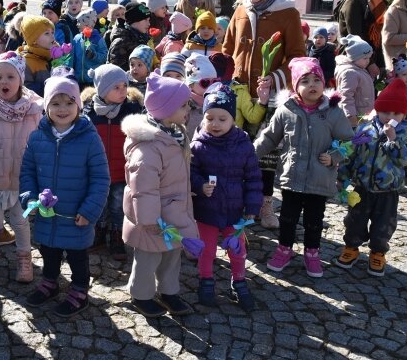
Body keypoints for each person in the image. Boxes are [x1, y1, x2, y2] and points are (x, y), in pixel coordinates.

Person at [255, 57, 353, 277]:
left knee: (314, 221)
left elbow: (349, 141)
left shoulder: (333, 112)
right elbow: (269, 138)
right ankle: (284, 249)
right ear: (296, 86)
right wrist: (250, 155)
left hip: (320, 179)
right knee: (288, 218)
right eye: (305, 80)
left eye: (316, 80)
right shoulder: (286, 110)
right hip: (292, 177)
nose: (312, 85)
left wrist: (335, 156)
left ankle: (312, 253)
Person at [21, 76, 109, 317]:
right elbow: (27, 171)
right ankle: (49, 282)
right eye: (55, 103)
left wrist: (90, 210)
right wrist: (30, 199)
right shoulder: (37, 137)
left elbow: (101, 178)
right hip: (47, 214)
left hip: (76, 214)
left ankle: (79, 290)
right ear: (46, 107)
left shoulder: (89, 138)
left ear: (78, 106)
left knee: (77, 256)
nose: (62, 109)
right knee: (48, 251)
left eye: (69, 103)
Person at [121, 73, 199, 317]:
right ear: (166, 109)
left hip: (174, 211)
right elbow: (143, 189)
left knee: (171, 255)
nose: (189, 108)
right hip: (153, 219)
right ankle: (141, 295)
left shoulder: (174, 134)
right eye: (184, 105)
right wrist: (149, 220)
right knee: (148, 258)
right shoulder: (148, 148)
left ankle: (169, 291)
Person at [334, 79, 407, 276]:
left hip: (388, 190)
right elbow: (351, 153)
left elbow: (406, 159)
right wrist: (342, 176)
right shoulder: (365, 129)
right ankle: (351, 248)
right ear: (377, 109)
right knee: (354, 220)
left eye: (396, 113)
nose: (390, 117)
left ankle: (378, 252)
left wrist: (393, 140)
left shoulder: (406, 134)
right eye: (385, 112)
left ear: (404, 114)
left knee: (384, 224)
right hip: (361, 186)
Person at [190, 84, 262, 310]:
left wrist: (252, 206)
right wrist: (200, 185)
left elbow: (253, 178)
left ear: (233, 119)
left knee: (238, 249)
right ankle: (206, 279)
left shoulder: (243, 145)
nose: (215, 124)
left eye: (222, 118)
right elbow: (190, 172)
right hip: (206, 210)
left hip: (235, 210)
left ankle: (239, 280)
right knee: (207, 249)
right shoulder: (198, 145)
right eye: (210, 118)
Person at [0, 52, 43, 282]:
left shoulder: (34, 111)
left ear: (21, 80)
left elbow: (39, 147)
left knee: (21, 221)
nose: (4, 82)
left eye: (10, 77)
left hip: (20, 180)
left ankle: (24, 259)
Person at [82, 64, 144, 260]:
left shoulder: (132, 111)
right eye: (115, 87)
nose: (122, 91)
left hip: (120, 170)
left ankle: (117, 234)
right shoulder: (89, 112)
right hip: (97, 171)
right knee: (99, 203)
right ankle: (99, 231)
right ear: (101, 89)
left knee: (118, 205)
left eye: (124, 86)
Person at [222, 0, 306, 97]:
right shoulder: (241, 9)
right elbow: (227, 48)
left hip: (268, 93)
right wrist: (225, 76)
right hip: (237, 89)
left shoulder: (288, 13)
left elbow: (297, 56)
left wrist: (275, 78)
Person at [336, 0, 387, 77]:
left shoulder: (376, 4)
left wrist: (381, 64)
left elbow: (377, 38)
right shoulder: (354, 2)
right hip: (354, 62)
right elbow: (355, 37)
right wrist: (370, 63)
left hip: (368, 60)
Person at [335, 35, 375, 127]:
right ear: (354, 57)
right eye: (365, 58)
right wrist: (350, 115)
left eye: (369, 58)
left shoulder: (357, 68)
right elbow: (346, 96)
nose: (368, 61)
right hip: (356, 117)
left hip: (363, 115)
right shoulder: (350, 73)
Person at [108, 1, 152, 71]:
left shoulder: (142, 37)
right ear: (134, 21)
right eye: (145, 20)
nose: (149, 24)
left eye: (149, 20)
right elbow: (117, 70)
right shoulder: (122, 41)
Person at [19, 15, 56, 96]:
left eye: (52, 32)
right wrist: (50, 86)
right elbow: (25, 88)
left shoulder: (52, 55)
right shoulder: (25, 62)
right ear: (34, 40)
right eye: (47, 33)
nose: (52, 36)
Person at [72, 9, 108, 86]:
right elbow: (73, 56)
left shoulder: (98, 39)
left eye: (79, 22)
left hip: (92, 79)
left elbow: (104, 55)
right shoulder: (77, 38)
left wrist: (94, 56)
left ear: (88, 24)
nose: (77, 24)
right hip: (78, 79)